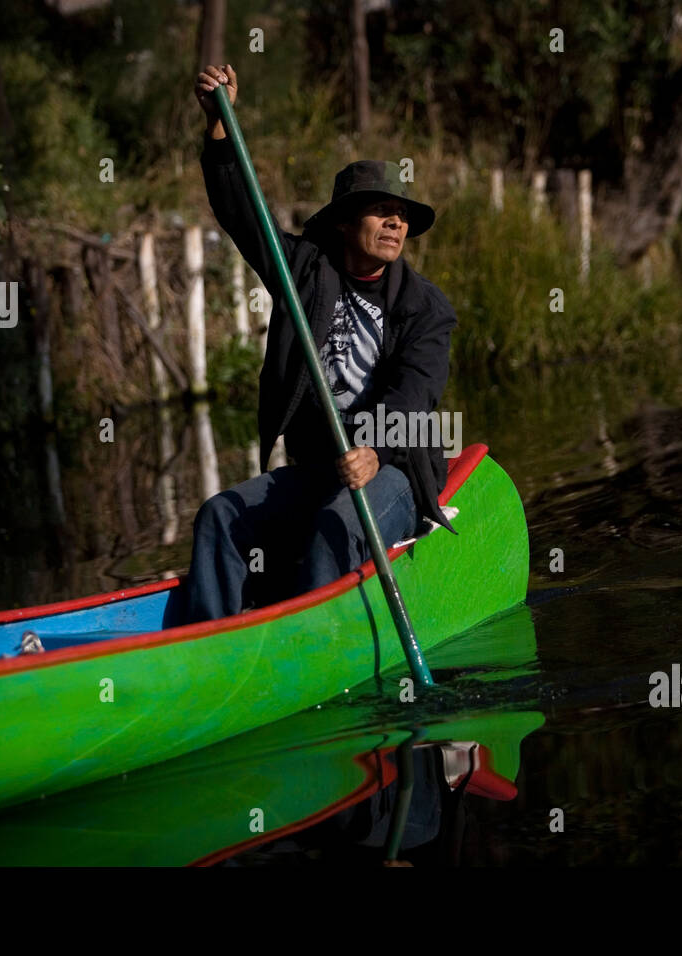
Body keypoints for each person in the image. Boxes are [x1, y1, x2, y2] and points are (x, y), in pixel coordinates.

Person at [175, 64, 458, 624]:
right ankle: (213, 643)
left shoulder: (426, 307)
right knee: (217, 516)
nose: (396, 225)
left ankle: (317, 642)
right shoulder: (304, 270)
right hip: (320, 469)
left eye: (402, 216)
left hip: (395, 469)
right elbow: (243, 215)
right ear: (344, 224)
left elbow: (415, 394)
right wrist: (220, 129)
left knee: (339, 528)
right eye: (383, 212)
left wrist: (375, 450)